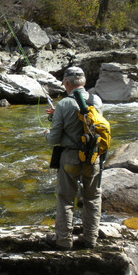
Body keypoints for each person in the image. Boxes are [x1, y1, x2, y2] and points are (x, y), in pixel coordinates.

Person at [43, 67, 103, 249]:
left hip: (70, 158)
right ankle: (90, 239)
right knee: (92, 199)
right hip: (93, 156)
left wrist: (48, 131)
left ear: (66, 83)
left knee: (65, 199)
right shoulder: (96, 100)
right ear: (83, 82)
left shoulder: (63, 104)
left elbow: (53, 139)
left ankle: (63, 240)